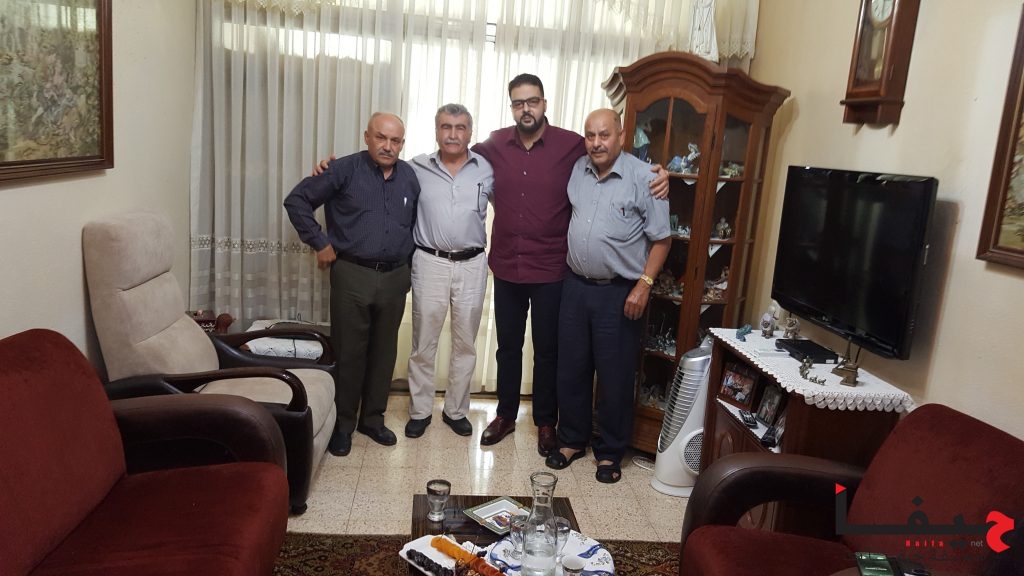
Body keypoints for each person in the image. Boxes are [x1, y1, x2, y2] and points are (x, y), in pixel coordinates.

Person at [471, 74, 669, 456]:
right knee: (508, 347)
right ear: (511, 107)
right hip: (508, 266)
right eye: (518, 102)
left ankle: (547, 422)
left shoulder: (572, 145)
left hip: (551, 271)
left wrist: (660, 174)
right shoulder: (494, 144)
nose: (526, 108)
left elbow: (615, 153)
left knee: (549, 352)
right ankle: (505, 415)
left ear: (544, 103)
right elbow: (460, 154)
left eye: (532, 101)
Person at [543, 108, 670, 484]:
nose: (596, 143)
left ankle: (610, 452)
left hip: (619, 292)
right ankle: (572, 440)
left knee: (615, 376)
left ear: (621, 135)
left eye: (604, 135)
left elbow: (662, 240)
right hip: (575, 286)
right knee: (572, 369)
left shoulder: (646, 178)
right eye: (590, 135)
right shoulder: (577, 170)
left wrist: (644, 285)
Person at [284, 112, 420, 457]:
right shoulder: (343, 170)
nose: (388, 146)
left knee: (384, 352)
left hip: (395, 276)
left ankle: (372, 419)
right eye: (381, 137)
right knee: (349, 352)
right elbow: (297, 200)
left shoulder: (409, 177)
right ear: (367, 137)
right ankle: (343, 424)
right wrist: (319, 242)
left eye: (395, 140)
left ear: (402, 144)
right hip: (352, 274)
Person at [404, 104, 494, 439]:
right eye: (446, 127)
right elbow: (378, 173)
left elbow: (517, 204)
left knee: (465, 343)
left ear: (470, 132)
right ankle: (420, 411)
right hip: (430, 261)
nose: (452, 134)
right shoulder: (416, 168)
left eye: (460, 127)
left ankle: (456, 411)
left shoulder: (487, 169)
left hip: (473, 264)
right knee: (423, 342)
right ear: (436, 130)